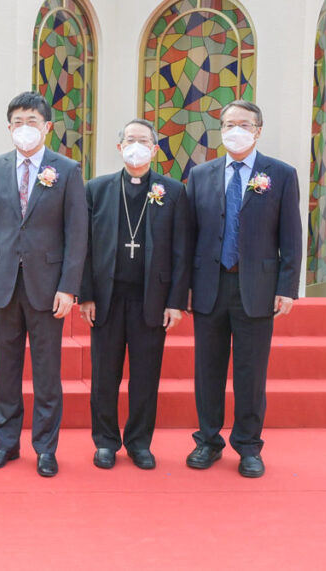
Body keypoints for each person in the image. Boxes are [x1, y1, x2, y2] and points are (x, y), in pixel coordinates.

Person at [0, 91, 87, 477]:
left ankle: (45, 448)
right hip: (3, 284)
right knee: (5, 370)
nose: (25, 128)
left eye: (32, 122)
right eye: (18, 122)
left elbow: (76, 234)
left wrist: (69, 286)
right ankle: (4, 444)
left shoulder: (66, 170)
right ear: (9, 128)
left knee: (47, 372)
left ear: (47, 127)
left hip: (47, 287)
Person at [185, 100, 301, 478]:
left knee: (251, 373)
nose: (236, 130)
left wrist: (287, 287)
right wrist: (184, 288)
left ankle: (249, 446)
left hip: (257, 287)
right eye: (229, 124)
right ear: (220, 130)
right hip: (209, 285)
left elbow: (291, 236)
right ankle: (207, 440)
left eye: (244, 124)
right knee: (208, 369)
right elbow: (188, 236)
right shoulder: (200, 174)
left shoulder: (280, 175)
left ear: (258, 130)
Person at [78, 119, 190, 470]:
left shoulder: (173, 191)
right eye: (130, 140)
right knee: (103, 376)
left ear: (155, 149)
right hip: (107, 298)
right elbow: (84, 246)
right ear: (120, 147)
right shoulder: (96, 189)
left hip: (151, 300)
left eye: (144, 141)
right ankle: (105, 442)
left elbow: (181, 251)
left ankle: (140, 443)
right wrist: (86, 295)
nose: (136, 146)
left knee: (145, 376)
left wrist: (175, 302)